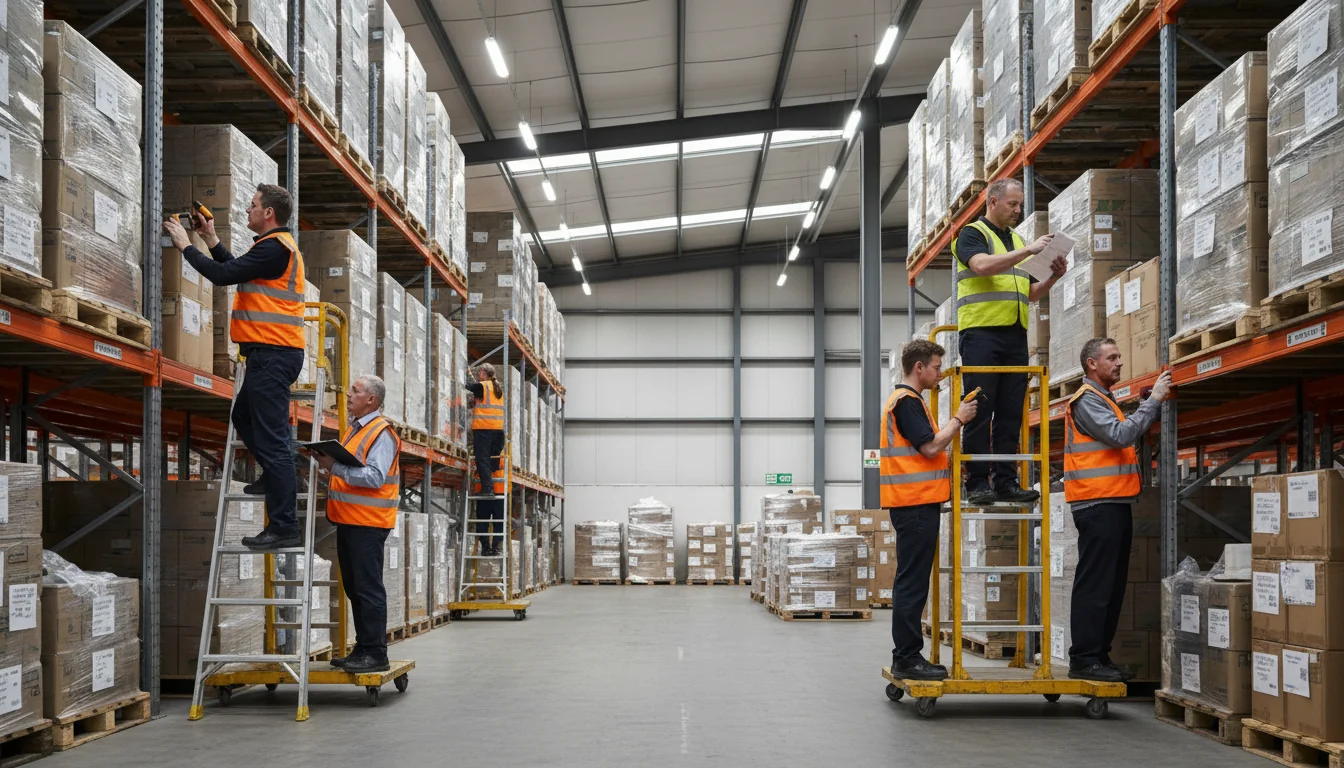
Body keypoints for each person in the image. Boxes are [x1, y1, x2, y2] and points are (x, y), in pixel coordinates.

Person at [164, 184, 306, 551]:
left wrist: (185, 245)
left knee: (274, 442)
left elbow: (221, 275)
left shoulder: (276, 248)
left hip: (274, 353)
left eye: (253, 205)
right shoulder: (270, 248)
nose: (247, 209)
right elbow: (234, 268)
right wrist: (209, 237)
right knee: (243, 416)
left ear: (268, 213)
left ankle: (284, 526)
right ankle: (275, 475)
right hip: (268, 354)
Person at [952, 177, 1068, 506]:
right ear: (992, 202)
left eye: (1020, 205)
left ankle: (1005, 481)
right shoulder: (973, 234)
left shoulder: (1015, 239)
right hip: (981, 333)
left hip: (1015, 335)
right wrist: (1029, 250)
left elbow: (1030, 293)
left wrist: (1054, 276)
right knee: (979, 408)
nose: (1018, 210)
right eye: (1012, 204)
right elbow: (981, 266)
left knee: (1010, 412)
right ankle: (977, 482)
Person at [1063, 338, 1172, 682]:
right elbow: (1121, 435)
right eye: (1112, 357)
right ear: (1092, 364)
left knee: (1111, 585)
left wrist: (1144, 404)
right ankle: (1084, 658)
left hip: (1113, 502)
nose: (1119, 362)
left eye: (1119, 356)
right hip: (1097, 504)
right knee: (1096, 584)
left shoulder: (1104, 399)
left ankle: (1098, 655)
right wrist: (1153, 401)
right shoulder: (1086, 400)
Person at [883, 339, 977, 681]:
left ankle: (907, 655)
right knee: (912, 583)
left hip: (915, 503)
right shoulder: (906, 402)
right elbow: (930, 446)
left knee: (912, 580)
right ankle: (907, 657)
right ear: (919, 367)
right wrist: (959, 419)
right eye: (936, 367)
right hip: (915, 504)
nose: (940, 373)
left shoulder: (910, 401)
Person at [307, 374, 401, 674]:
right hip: (349, 520)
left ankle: (375, 653)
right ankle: (363, 649)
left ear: (371, 399)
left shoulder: (381, 433)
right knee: (355, 588)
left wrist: (334, 466)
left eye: (355, 391)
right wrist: (327, 466)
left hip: (369, 523)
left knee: (367, 588)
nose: (348, 395)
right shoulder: (356, 429)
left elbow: (374, 477)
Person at [467, 364, 506, 496]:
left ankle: (488, 489)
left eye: (479, 372)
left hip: (484, 429)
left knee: (481, 459)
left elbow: (469, 386)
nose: (478, 375)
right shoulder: (497, 389)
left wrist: (467, 373)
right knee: (489, 461)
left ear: (483, 372)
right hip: (498, 431)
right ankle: (489, 487)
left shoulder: (483, 386)